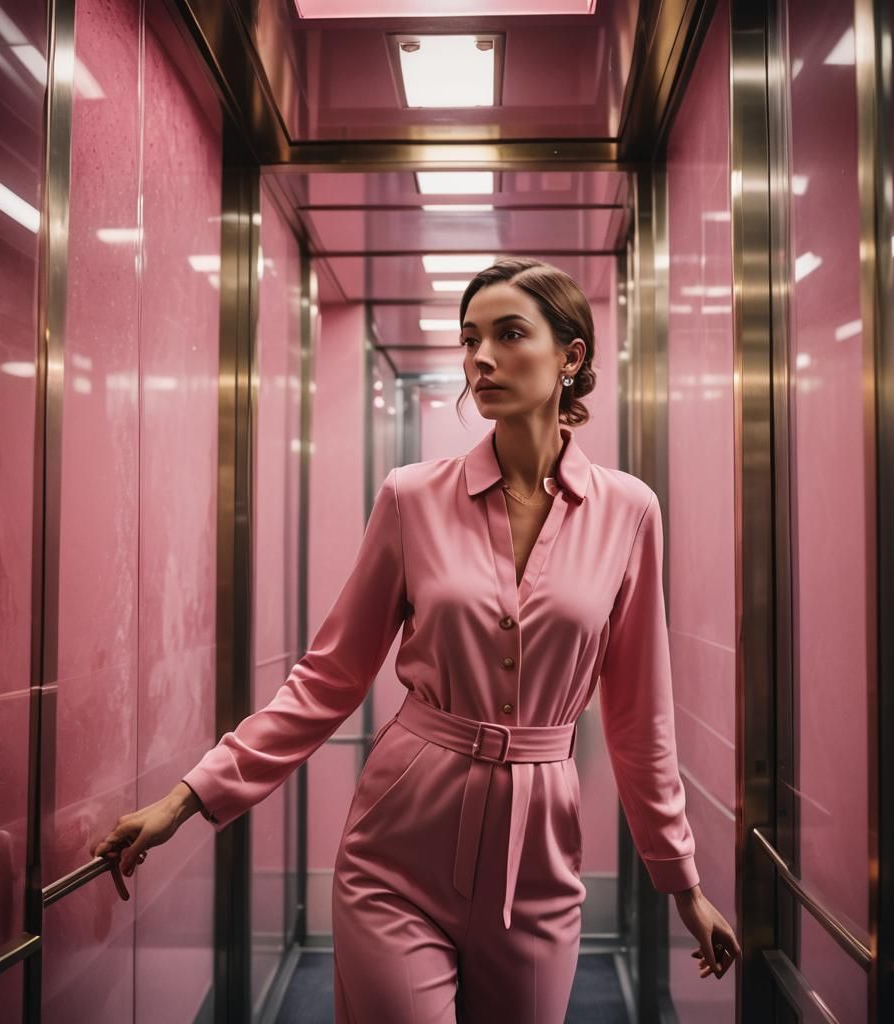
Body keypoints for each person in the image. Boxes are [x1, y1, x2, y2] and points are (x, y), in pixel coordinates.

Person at [91, 256, 740, 1020]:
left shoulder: (629, 512)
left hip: (539, 856)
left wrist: (682, 883)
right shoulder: (411, 497)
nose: (481, 358)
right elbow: (329, 677)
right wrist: (188, 797)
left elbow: (639, 718)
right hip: (397, 848)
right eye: (470, 339)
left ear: (571, 357)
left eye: (509, 334)